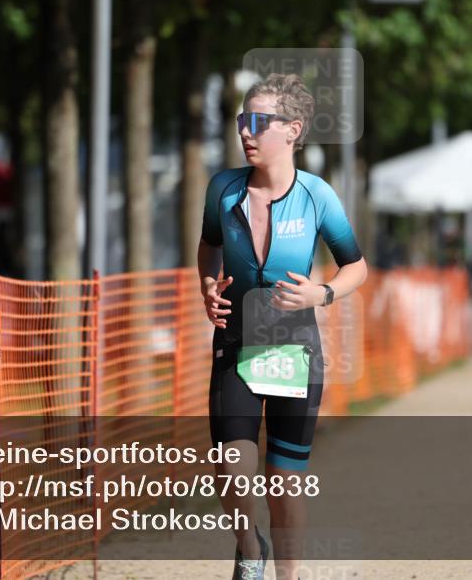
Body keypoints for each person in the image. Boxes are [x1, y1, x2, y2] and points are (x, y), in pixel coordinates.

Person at [197, 73, 368, 580]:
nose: (245, 132)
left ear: (292, 130)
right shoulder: (222, 190)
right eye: (240, 122)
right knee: (230, 468)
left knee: (284, 484)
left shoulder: (317, 196)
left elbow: (356, 265)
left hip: (295, 350)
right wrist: (207, 285)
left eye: (257, 122)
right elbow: (209, 247)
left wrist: (323, 293)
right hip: (235, 344)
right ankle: (250, 548)